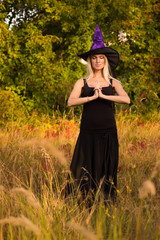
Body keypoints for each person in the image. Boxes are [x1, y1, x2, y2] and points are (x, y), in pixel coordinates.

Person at [67, 25, 130, 202]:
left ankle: (105, 202)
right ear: (90, 61)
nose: (97, 61)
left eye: (101, 58)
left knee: (106, 167)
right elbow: (70, 102)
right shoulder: (82, 82)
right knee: (85, 167)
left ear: (105, 61)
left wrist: (102, 95)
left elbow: (126, 99)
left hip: (108, 131)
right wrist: (91, 98)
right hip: (88, 132)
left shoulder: (112, 81)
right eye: (94, 58)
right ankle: (84, 200)